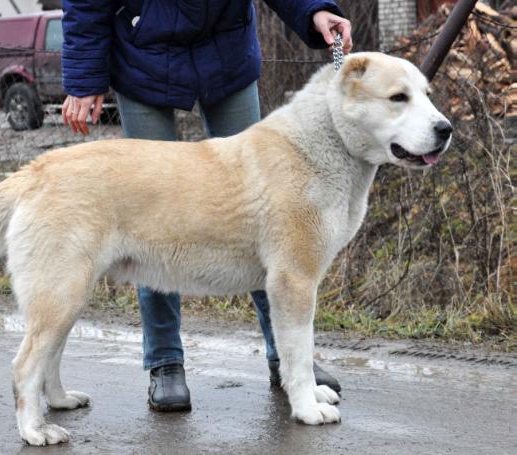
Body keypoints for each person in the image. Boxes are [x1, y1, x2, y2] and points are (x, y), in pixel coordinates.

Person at [61, 0, 352, 412]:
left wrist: (313, 11)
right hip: (144, 55)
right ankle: (165, 362)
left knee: (268, 218)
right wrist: (84, 77)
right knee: (151, 220)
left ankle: (288, 361)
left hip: (226, 52)